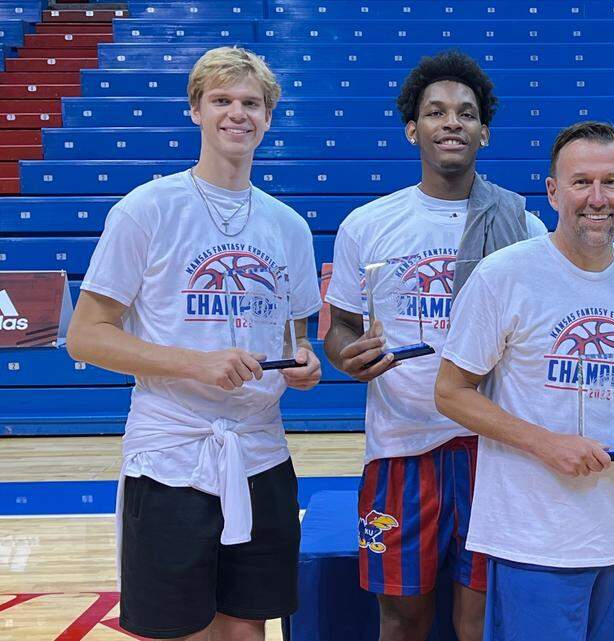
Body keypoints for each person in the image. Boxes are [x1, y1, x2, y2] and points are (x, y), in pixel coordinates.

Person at [66, 46, 322, 641]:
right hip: (172, 458)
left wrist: (302, 364)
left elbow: (295, 334)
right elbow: (87, 334)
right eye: (222, 100)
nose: (239, 113)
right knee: (182, 630)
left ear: (268, 116)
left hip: (262, 455)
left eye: (251, 103)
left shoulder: (289, 226)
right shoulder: (149, 208)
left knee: (247, 628)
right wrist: (195, 363)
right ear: (196, 112)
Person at [322, 51, 545, 641]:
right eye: (437, 112)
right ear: (412, 128)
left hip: (491, 446)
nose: (452, 122)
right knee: (401, 618)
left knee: (480, 615)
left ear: (484, 131)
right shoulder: (368, 225)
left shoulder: (522, 225)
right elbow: (337, 326)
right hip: (401, 448)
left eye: (466, 114)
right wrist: (346, 353)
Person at [434, 121, 614, 641]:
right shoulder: (504, 274)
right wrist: (546, 444)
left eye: (611, 182)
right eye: (580, 181)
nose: (596, 198)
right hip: (532, 539)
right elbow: (450, 392)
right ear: (551, 191)